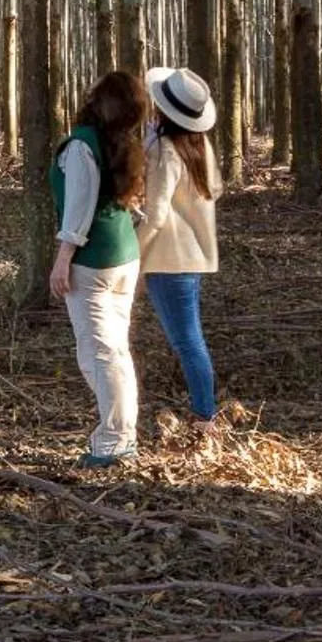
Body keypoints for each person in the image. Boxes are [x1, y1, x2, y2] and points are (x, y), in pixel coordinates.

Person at [49, 70, 149, 467]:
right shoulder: (121, 144)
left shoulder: (81, 147)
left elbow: (78, 208)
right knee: (115, 350)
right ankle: (122, 433)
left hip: (94, 265)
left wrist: (62, 260)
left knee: (99, 353)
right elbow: (127, 201)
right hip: (125, 256)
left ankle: (114, 442)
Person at [139, 65, 222, 435]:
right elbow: (214, 189)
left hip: (169, 257)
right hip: (191, 254)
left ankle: (205, 417)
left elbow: (155, 214)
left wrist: (133, 257)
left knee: (188, 341)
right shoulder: (198, 144)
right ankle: (205, 414)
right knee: (190, 339)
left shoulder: (167, 152)